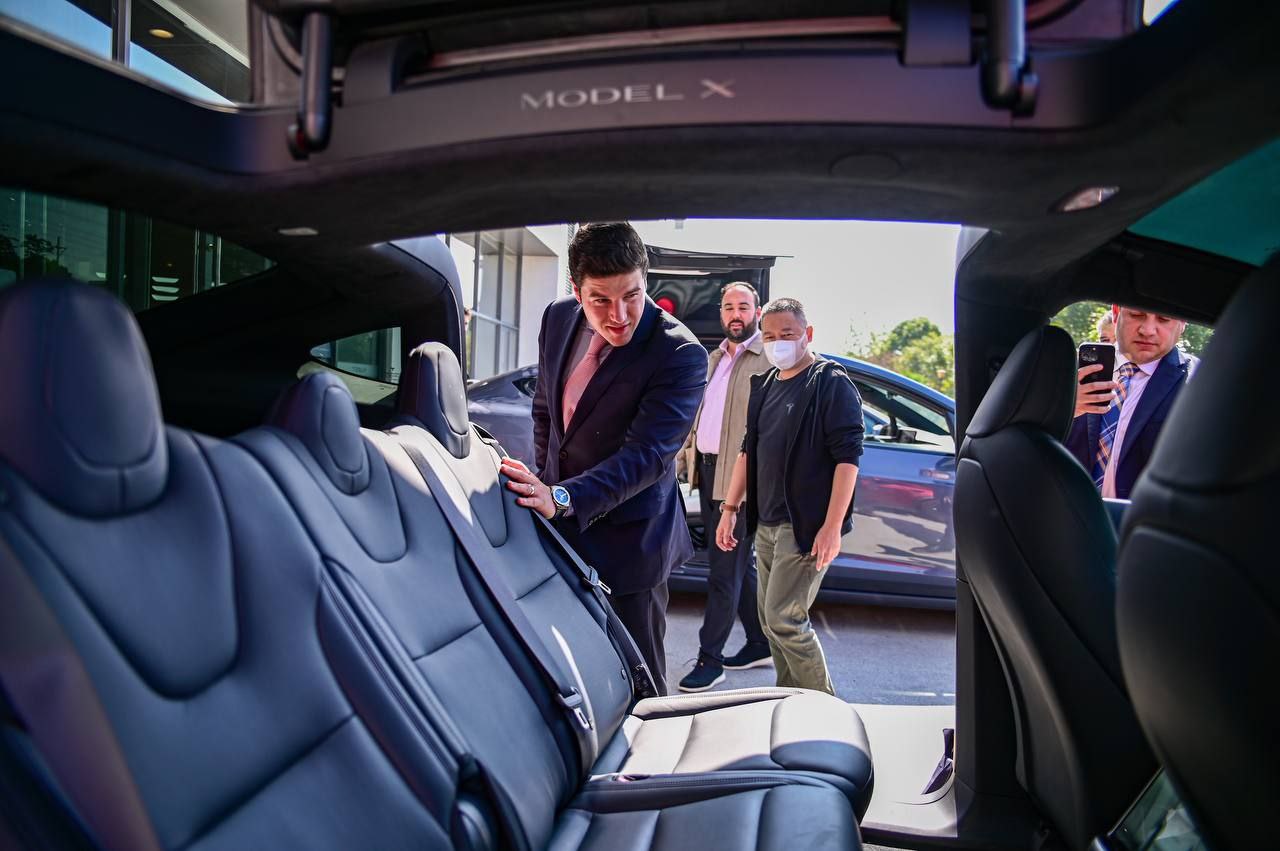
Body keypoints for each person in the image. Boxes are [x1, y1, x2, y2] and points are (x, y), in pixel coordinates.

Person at [500, 222, 707, 695]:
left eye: (632, 295)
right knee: (569, 670)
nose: (619, 315)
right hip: (560, 532)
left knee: (640, 683)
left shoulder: (679, 353)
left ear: (645, 280)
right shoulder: (557, 318)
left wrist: (562, 496)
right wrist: (547, 485)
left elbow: (647, 456)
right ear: (576, 292)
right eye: (601, 300)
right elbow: (545, 411)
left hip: (632, 545)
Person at [714, 298, 864, 695]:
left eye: (787, 334)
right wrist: (730, 508)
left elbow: (848, 459)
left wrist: (832, 528)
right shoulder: (764, 385)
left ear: (807, 334)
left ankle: (825, 709)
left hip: (804, 527)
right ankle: (790, 699)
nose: (777, 343)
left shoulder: (829, 382)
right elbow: (747, 451)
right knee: (770, 622)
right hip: (765, 521)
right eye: (769, 336)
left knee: (785, 619)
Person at [674, 282, 773, 692]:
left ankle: (710, 660)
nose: (736, 314)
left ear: (757, 312)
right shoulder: (715, 359)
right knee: (738, 566)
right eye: (729, 307)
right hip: (709, 471)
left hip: (741, 480)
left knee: (723, 571)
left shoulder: (767, 358)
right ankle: (759, 642)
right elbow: (700, 417)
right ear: (721, 313)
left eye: (743, 306)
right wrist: (684, 461)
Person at [1066, 305, 1197, 499]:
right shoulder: (1070, 372)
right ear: (1116, 313)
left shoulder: (1199, 383)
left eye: (1164, 319)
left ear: (1183, 322)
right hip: (1068, 510)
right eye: (1137, 315)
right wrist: (1065, 410)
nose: (1147, 330)